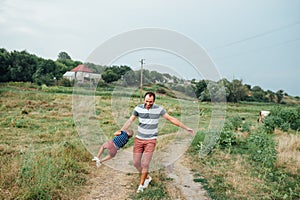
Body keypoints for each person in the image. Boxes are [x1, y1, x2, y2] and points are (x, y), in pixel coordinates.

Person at [121, 91, 195, 193]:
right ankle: (147, 177)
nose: (148, 103)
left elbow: (171, 119)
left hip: (151, 140)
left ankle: (141, 185)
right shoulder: (138, 108)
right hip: (139, 139)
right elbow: (130, 120)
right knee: (136, 163)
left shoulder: (159, 109)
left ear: (154, 101)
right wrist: (121, 131)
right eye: (147, 101)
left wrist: (186, 128)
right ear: (144, 100)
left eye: (150, 102)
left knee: (145, 163)